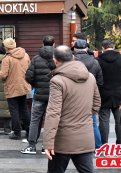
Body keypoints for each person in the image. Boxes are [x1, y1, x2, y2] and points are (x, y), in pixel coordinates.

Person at [43, 45, 101, 173]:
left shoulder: (57, 81)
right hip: (85, 138)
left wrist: (48, 143)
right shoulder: (90, 77)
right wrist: (86, 116)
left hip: (63, 141)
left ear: (55, 60)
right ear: (73, 57)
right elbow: (97, 103)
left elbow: (53, 113)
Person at [21, 35, 56, 154]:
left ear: (42, 43)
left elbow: (29, 76)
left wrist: (36, 85)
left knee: (35, 119)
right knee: (51, 120)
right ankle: (46, 147)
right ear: (53, 44)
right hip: (54, 95)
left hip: (39, 94)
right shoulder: (58, 58)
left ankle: (31, 146)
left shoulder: (36, 58)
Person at [97, 39, 121, 145]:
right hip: (120, 94)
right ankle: (120, 144)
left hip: (103, 94)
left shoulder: (98, 60)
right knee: (120, 120)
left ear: (103, 48)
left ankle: (104, 145)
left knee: (103, 120)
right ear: (113, 47)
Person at [73, 39, 103, 149]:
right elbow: (100, 81)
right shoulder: (95, 62)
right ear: (86, 48)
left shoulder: (71, 62)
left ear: (75, 49)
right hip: (90, 96)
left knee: (74, 123)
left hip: (74, 96)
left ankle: (78, 146)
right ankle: (98, 147)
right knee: (93, 123)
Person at [0, 38, 31, 140]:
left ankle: (16, 132)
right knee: (24, 109)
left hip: (12, 87)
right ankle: (28, 131)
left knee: (14, 110)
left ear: (6, 47)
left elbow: (3, 75)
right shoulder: (25, 55)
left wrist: (1, 77)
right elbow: (30, 69)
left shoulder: (7, 59)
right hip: (24, 86)